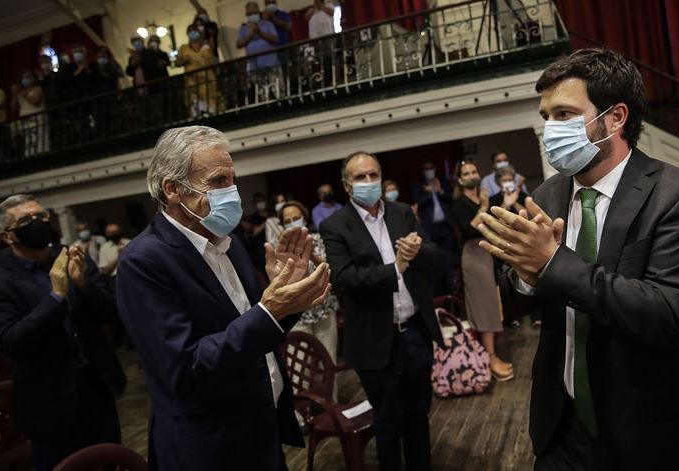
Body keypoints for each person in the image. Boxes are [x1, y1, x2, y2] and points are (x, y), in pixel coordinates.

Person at [476, 48, 679, 470]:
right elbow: (514, 300)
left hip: (653, 432)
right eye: (546, 117)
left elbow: (667, 314)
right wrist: (525, 277)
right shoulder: (547, 196)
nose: (550, 130)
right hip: (562, 430)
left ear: (615, 118)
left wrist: (551, 263)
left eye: (564, 114)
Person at [117, 125, 330, 470]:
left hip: (261, 428)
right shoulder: (144, 261)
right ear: (172, 189)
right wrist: (270, 310)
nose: (231, 191)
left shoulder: (227, 243)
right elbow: (185, 370)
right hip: (212, 447)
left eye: (231, 180)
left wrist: (287, 296)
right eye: (217, 181)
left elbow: (254, 325)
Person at [0, 194, 126, 471]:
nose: (39, 223)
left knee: (110, 461)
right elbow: (11, 341)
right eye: (26, 220)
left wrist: (83, 285)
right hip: (48, 402)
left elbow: (112, 312)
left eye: (41, 216)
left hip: (95, 388)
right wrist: (56, 296)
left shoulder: (70, 255)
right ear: (8, 237)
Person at [321, 151, 443, 471]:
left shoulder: (402, 212)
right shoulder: (335, 226)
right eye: (360, 178)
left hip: (415, 332)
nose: (369, 182)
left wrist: (417, 253)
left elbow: (433, 253)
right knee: (388, 422)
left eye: (374, 175)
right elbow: (344, 278)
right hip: (375, 340)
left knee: (418, 417)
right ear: (347, 186)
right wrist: (395, 267)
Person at [451, 159, 514, 381]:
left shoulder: (484, 196)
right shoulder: (458, 203)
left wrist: (505, 204)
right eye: (466, 173)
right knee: (484, 306)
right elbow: (469, 230)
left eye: (474, 171)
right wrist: (485, 206)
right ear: (460, 179)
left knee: (493, 304)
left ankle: (489, 355)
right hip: (473, 256)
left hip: (489, 254)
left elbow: (496, 223)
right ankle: (489, 356)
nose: (471, 175)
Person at [280, 201, 339, 365]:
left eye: (296, 218)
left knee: (328, 362)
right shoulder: (280, 248)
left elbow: (332, 272)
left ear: (304, 218)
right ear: (282, 224)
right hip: (296, 314)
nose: (293, 223)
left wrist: (311, 254)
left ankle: (330, 392)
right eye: (288, 220)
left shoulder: (320, 239)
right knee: (300, 366)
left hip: (324, 307)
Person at [487, 165, 537, 328]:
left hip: (523, 242)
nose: (508, 182)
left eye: (510, 180)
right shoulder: (493, 199)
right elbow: (493, 220)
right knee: (506, 278)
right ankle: (512, 316)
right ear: (498, 182)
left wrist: (514, 202)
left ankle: (536, 315)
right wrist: (505, 203)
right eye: (504, 180)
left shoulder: (522, 195)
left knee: (529, 276)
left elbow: (529, 217)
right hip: (501, 243)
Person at [412, 160, 457, 255]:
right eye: (426, 169)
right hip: (430, 228)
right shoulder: (419, 185)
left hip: (446, 226)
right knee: (435, 255)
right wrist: (428, 193)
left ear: (435, 169)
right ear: (423, 171)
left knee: (449, 254)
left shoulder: (442, 181)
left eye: (431, 168)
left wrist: (439, 190)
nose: (429, 171)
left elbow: (451, 198)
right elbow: (418, 203)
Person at [176, 25, 218, 117]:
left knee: (210, 104)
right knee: (194, 105)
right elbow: (177, 63)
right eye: (190, 31)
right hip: (191, 82)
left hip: (207, 81)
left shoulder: (206, 47)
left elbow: (211, 61)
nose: (193, 33)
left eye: (195, 31)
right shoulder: (184, 48)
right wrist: (184, 60)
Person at [10, 70, 48, 156]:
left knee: (40, 146)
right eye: (23, 78)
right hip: (26, 123)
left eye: (28, 77)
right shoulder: (19, 93)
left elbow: (35, 101)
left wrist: (21, 92)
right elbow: (13, 108)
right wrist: (15, 95)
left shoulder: (37, 89)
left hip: (38, 121)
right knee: (30, 147)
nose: (25, 79)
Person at [263, 0, 292, 65]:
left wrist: (272, 18)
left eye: (273, 2)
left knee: (285, 70)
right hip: (267, 52)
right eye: (268, 3)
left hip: (283, 48)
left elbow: (288, 27)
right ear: (264, 4)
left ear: (276, 3)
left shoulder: (282, 14)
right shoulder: (261, 17)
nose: (271, 5)